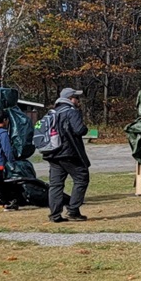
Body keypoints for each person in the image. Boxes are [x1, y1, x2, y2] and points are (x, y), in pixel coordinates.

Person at [46, 88, 91, 223]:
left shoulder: (52, 113)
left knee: (56, 184)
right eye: (76, 98)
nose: (78, 101)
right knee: (81, 178)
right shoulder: (71, 112)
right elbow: (79, 130)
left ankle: (55, 214)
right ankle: (73, 210)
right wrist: (85, 128)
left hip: (52, 152)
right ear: (71, 99)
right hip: (68, 152)